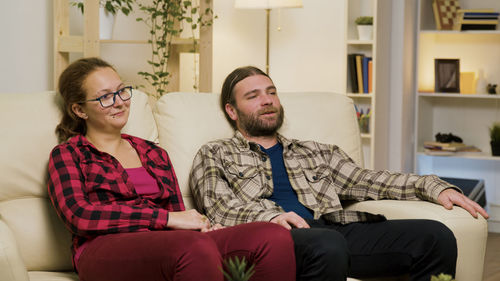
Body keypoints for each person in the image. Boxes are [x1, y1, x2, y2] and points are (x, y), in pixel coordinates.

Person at [189, 66, 490, 281]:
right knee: (326, 244)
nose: (267, 100)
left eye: (271, 92)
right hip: (275, 238)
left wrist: (433, 187)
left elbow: (369, 180)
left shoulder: (316, 151)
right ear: (232, 111)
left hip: (334, 230)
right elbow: (220, 207)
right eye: (253, 96)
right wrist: (268, 218)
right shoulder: (214, 153)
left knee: (435, 235)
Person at [47, 58, 296, 281]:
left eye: (122, 91)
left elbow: (178, 215)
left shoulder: (154, 153)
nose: (120, 102)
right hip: (102, 248)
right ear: (79, 110)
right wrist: (165, 219)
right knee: (192, 246)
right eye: (105, 97)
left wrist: (201, 225)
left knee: (271, 237)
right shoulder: (70, 154)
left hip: (170, 242)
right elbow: (80, 216)